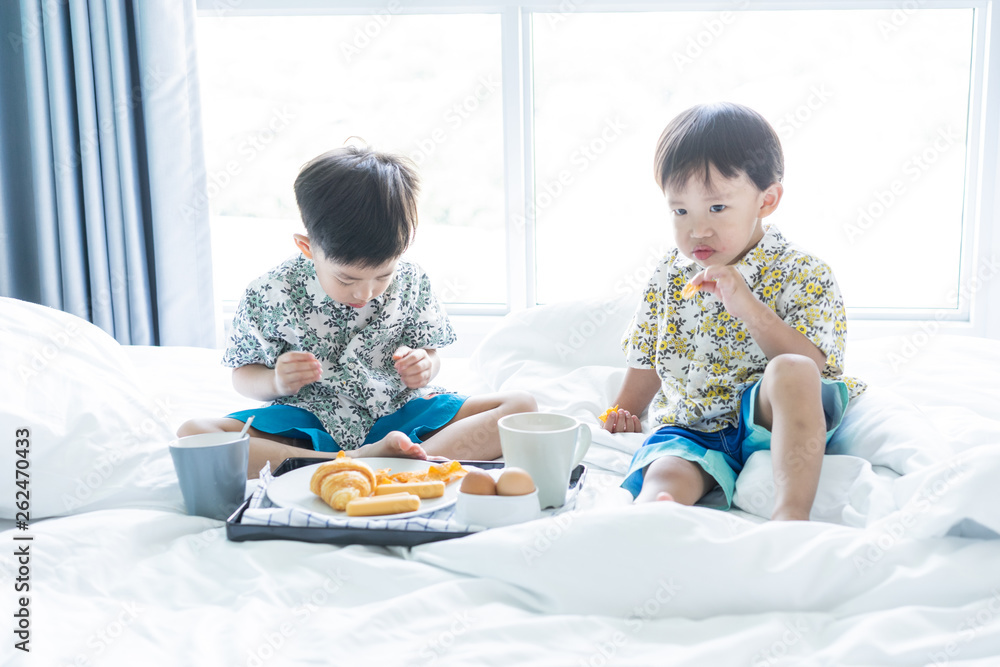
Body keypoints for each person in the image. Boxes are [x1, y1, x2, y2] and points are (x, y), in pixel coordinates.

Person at [178, 145, 535, 477]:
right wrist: (274, 381)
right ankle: (358, 463)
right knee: (194, 434)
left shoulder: (413, 280)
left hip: (401, 412)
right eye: (347, 278)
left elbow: (429, 350)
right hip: (309, 420)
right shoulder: (269, 293)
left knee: (521, 405)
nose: (366, 292)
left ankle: (406, 459)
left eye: (383, 274)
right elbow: (243, 373)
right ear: (307, 247)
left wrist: (425, 365)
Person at [601, 102, 865, 521]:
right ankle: (656, 516)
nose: (697, 229)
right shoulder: (671, 273)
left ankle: (790, 516)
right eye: (680, 211)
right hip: (693, 428)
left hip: (766, 415)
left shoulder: (803, 272)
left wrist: (746, 304)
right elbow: (650, 353)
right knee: (665, 471)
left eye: (717, 208)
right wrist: (623, 411)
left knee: (792, 370)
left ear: (767, 199)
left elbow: (813, 365)